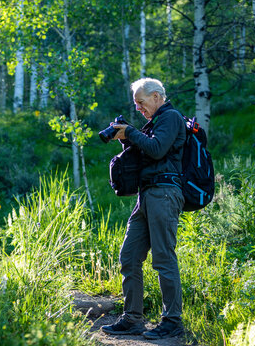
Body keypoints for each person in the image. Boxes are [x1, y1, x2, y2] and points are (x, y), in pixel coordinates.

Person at [101, 78, 186, 340]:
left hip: (164, 193)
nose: (138, 108)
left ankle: (172, 322)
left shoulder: (171, 117)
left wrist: (131, 132)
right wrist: (126, 139)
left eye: (141, 102)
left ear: (157, 97)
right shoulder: (154, 123)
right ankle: (132, 320)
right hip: (147, 195)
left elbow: (158, 150)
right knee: (129, 256)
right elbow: (146, 153)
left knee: (163, 258)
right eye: (136, 104)